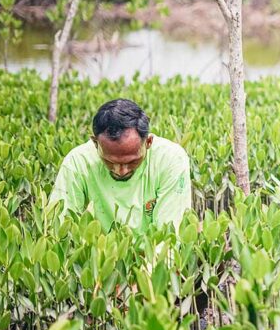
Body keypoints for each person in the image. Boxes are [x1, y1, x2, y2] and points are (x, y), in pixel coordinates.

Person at [50, 99, 191, 234]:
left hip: (153, 256)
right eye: (110, 161)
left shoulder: (171, 160)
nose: (121, 171)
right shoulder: (77, 162)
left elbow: (169, 236)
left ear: (148, 142)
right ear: (95, 143)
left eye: (131, 162)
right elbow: (59, 228)